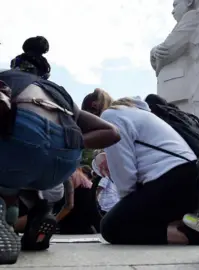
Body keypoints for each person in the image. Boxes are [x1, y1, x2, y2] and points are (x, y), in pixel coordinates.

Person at [0, 36, 120, 264]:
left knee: (15, 160)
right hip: (61, 165)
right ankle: (40, 211)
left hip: (21, 143)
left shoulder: (6, 78)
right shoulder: (58, 93)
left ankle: (4, 219)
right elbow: (112, 133)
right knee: (22, 173)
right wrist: (70, 142)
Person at [82, 94, 199, 245]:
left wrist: (127, 208)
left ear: (94, 109)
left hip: (170, 182)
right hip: (189, 182)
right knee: (148, 219)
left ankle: (193, 236)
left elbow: (124, 173)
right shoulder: (137, 113)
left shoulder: (110, 116)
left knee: (111, 227)